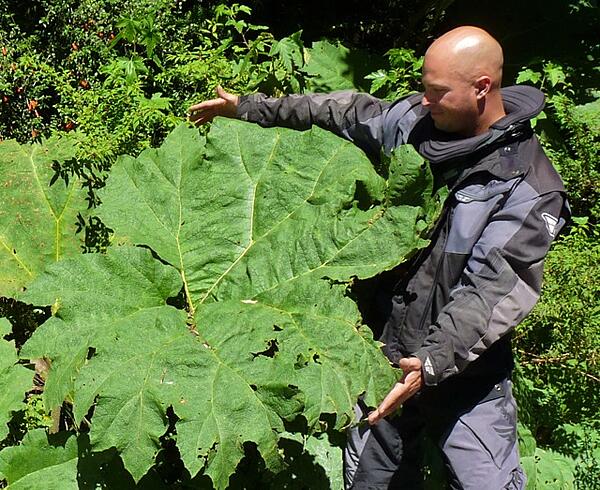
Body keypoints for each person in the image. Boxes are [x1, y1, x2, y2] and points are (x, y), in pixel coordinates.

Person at [189, 26, 569, 490]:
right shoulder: (413, 124)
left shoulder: (527, 184)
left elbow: (492, 289)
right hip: (383, 356)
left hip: (466, 373)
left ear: (482, 88)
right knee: (370, 482)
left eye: (437, 92)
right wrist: (247, 107)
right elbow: (340, 111)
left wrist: (429, 364)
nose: (423, 100)